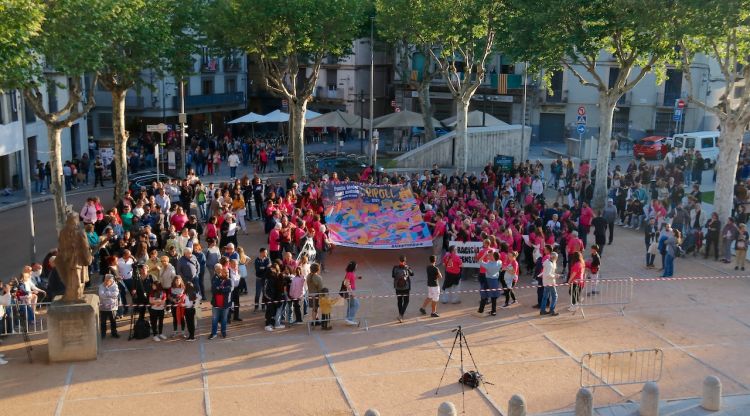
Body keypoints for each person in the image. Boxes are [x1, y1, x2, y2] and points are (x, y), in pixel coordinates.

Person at [209, 263, 232, 339]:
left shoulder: (229, 281)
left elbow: (229, 289)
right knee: (215, 319)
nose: (227, 273)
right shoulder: (216, 279)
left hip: (225, 304)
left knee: (224, 319)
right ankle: (214, 333)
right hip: (216, 303)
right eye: (225, 272)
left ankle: (223, 332)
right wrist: (222, 289)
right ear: (222, 272)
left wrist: (220, 289)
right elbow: (214, 290)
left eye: (228, 272)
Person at [478, 251, 502, 316]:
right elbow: (498, 260)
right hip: (495, 281)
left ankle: (481, 310)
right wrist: (491, 255)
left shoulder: (488, 265)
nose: (489, 256)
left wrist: (484, 254)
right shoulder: (499, 262)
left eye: (490, 255)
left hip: (488, 280)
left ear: (493, 257)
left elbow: (480, 261)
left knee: (484, 296)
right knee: (493, 297)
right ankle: (493, 311)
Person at [392, 255, 414, 323]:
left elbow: (393, 275)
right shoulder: (407, 267)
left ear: (399, 261)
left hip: (398, 288)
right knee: (406, 301)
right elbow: (412, 274)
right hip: (406, 288)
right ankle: (401, 315)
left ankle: (400, 315)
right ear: (405, 261)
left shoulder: (395, 268)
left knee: (399, 301)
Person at [98, 274, 120, 339]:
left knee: (113, 321)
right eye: (105, 280)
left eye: (108, 280)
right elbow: (101, 295)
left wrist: (107, 293)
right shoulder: (101, 286)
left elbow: (116, 294)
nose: (106, 281)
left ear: (111, 280)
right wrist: (110, 294)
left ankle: (114, 333)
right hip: (103, 307)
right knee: (103, 322)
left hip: (113, 307)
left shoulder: (115, 286)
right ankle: (103, 333)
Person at [540, 252, 560, 317]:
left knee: (545, 297)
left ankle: (542, 310)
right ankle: (552, 310)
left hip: (546, 282)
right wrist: (555, 276)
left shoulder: (547, 262)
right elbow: (549, 274)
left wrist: (555, 274)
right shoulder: (550, 264)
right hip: (550, 282)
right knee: (555, 296)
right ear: (554, 258)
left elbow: (548, 272)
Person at [343, 261, 360, 326]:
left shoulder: (350, 273)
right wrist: (352, 293)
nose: (356, 267)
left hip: (350, 291)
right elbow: (346, 283)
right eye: (356, 266)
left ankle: (348, 318)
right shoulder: (349, 273)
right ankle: (349, 319)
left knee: (351, 305)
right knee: (356, 304)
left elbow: (350, 279)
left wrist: (356, 277)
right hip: (349, 292)